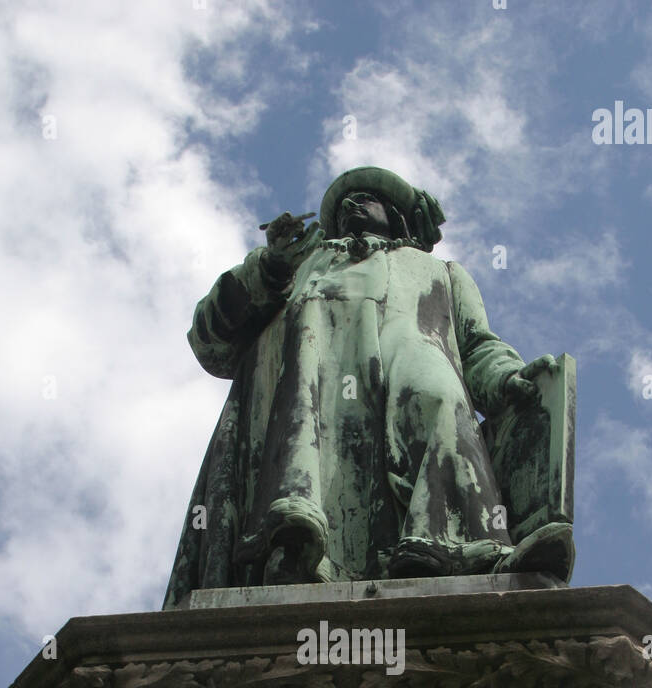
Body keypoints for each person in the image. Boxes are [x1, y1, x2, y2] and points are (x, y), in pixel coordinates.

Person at [164, 166, 573, 605]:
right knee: (310, 457)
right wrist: (270, 266)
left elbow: (476, 344)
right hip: (312, 378)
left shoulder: (441, 271)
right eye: (344, 203)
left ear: (396, 217)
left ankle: (454, 549)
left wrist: (506, 378)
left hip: (413, 357)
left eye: (366, 198)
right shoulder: (296, 264)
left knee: (441, 403)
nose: (351, 205)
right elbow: (212, 341)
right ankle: (296, 554)